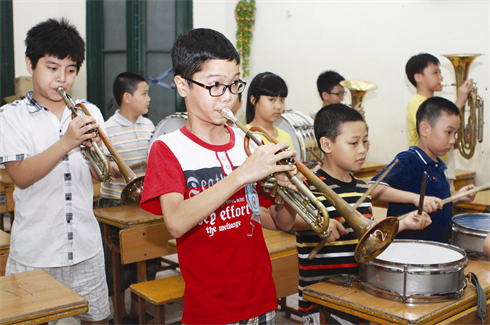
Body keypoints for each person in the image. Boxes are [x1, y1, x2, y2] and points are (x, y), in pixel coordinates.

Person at [140, 28, 300, 325]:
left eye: (234, 84)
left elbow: (281, 222)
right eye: (215, 86)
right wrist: (241, 175)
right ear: (182, 85)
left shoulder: (248, 143)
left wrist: (287, 192)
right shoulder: (168, 149)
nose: (227, 98)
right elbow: (175, 222)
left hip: (262, 298)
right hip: (210, 309)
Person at [0, 18, 110, 325]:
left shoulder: (89, 112)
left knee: (97, 320)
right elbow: (20, 175)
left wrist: (106, 164)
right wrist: (68, 142)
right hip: (36, 251)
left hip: (86, 247)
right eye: (52, 68)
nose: (62, 78)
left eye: (71, 69)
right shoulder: (11, 117)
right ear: (30, 64)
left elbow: (101, 174)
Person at [294, 104, 432, 325]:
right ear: (326, 144)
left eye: (365, 141)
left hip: (357, 297)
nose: (362, 149)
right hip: (320, 301)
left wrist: (403, 224)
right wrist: (319, 224)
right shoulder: (306, 186)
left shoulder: (362, 188)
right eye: (353, 143)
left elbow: (370, 237)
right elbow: (288, 222)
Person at [371, 97, 476, 243]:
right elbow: (373, 189)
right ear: (425, 129)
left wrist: (456, 198)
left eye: (455, 133)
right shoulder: (409, 159)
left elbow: (434, 203)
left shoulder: (438, 164)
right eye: (448, 132)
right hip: (410, 252)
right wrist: (416, 199)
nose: (453, 140)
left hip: (435, 248)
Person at [99, 72, 156, 324]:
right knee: (116, 267)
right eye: (144, 93)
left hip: (143, 204)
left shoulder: (149, 125)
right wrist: (126, 166)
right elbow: (103, 168)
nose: (149, 99)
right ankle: (119, 315)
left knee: (148, 259)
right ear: (127, 97)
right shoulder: (107, 129)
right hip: (116, 206)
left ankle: (138, 312)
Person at [405, 53, 473, 188]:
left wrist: (460, 137)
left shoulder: (437, 105)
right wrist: (460, 101)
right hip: (424, 169)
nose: (440, 77)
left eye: (440, 72)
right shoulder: (416, 103)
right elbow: (436, 126)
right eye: (435, 72)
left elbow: (444, 133)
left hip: (442, 166)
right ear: (418, 77)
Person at [245, 72, 294, 149]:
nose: (278, 106)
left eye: (282, 100)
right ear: (253, 100)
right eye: (272, 99)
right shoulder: (243, 134)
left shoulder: (286, 137)